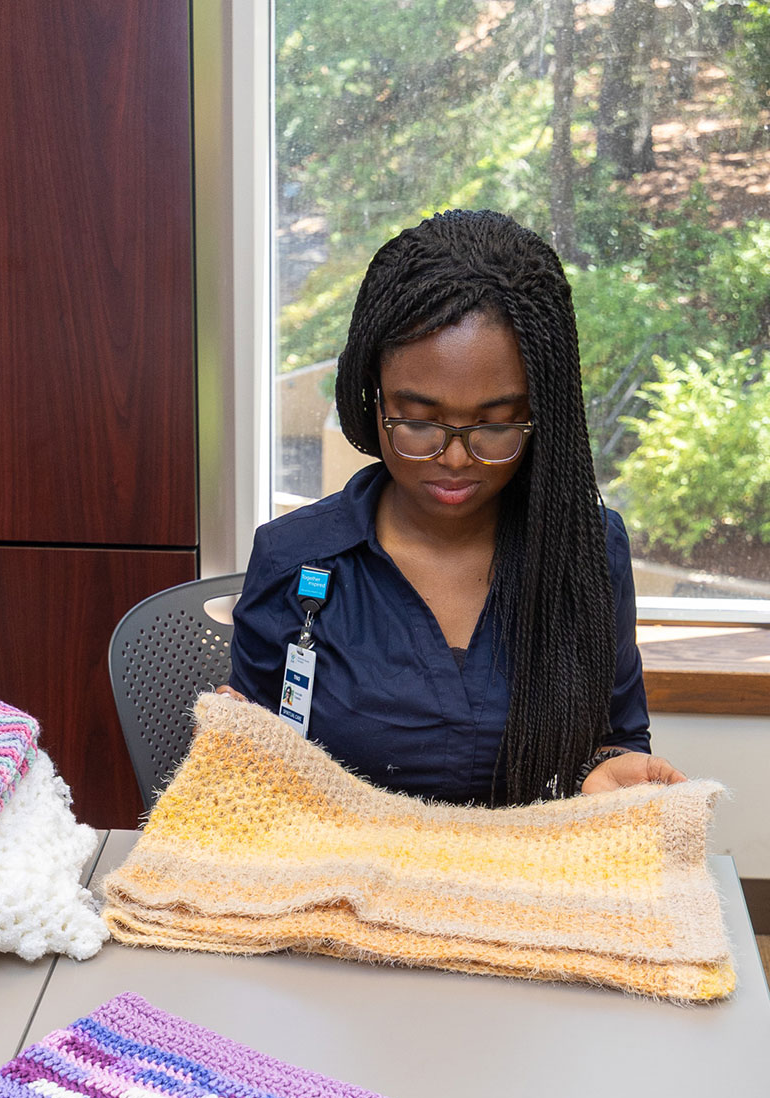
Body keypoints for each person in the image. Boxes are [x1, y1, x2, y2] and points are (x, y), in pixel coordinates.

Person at [223, 209, 685, 805]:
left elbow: (614, 737)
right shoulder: (294, 558)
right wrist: (234, 760)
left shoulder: (588, 551)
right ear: (373, 395)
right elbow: (258, 780)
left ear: (541, 414)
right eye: (419, 421)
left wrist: (603, 775)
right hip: (341, 863)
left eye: (495, 425)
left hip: (527, 863)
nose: (456, 459)